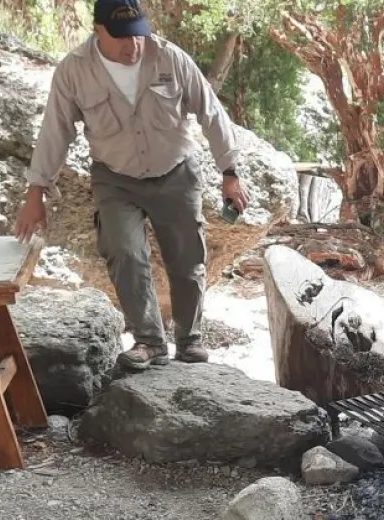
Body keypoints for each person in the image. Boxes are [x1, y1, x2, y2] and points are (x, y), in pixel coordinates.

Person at [13, 0, 251, 371]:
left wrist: (230, 173)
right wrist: (35, 193)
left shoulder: (170, 58)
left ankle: (190, 340)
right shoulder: (74, 70)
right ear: (99, 31)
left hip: (176, 171)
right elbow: (54, 132)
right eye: (122, 37)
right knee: (124, 251)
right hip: (116, 177)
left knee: (187, 260)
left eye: (138, 34)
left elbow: (211, 112)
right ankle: (149, 341)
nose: (133, 45)